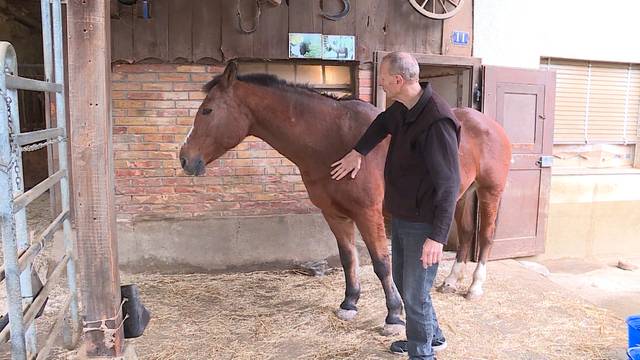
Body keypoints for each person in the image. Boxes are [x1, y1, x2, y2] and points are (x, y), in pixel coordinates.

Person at [330, 52, 461, 360]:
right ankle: (433, 337)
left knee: (415, 294)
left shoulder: (436, 120)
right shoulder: (402, 108)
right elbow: (380, 124)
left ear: (399, 80)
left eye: (384, 78)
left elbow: (449, 184)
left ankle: (422, 353)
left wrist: (438, 237)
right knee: (405, 285)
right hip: (403, 215)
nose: (381, 83)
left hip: (424, 223)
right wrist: (358, 152)